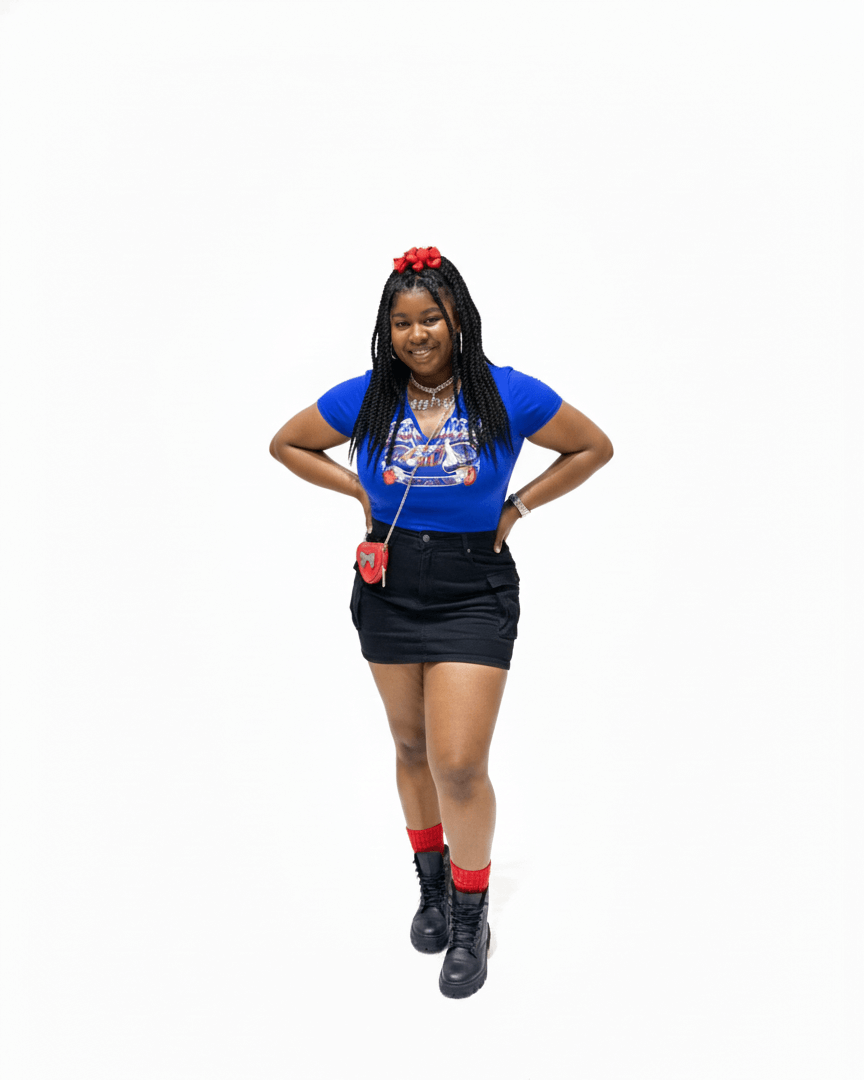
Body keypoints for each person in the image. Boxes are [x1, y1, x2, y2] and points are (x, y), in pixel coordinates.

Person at [269, 246, 613, 998]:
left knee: (458, 762)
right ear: (386, 330)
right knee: (412, 744)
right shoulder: (369, 396)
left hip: (471, 584)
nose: (416, 334)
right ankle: (428, 884)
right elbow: (287, 443)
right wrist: (358, 490)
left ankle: (469, 911)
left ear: (458, 319)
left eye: (430, 318)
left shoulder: (506, 392)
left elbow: (593, 446)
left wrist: (517, 508)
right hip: (389, 583)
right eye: (401, 322)